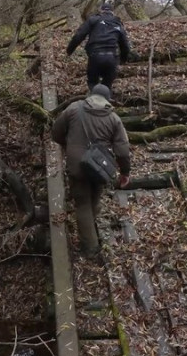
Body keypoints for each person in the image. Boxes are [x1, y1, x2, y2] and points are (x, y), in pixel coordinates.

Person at [51, 84, 131, 257]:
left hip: (77, 165)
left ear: (90, 95)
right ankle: (92, 236)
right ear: (107, 100)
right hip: (99, 166)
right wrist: (125, 172)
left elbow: (56, 132)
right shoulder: (113, 118)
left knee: (82, 204)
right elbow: (123, 151)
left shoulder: (73, 109)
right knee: (94, 200)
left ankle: (90, 248)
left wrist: (69, 145)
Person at [66, 0, 131, 92]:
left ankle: (93, 97)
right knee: (107, 87)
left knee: (93, 83)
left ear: (101, 10)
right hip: (111, 59)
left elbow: (79, 35)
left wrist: (69, 50)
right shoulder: (118, 23)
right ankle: (105, 98)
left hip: (95, 57)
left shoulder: (93, 19)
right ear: (112, 12)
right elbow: (125, 45)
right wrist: (122, 60)